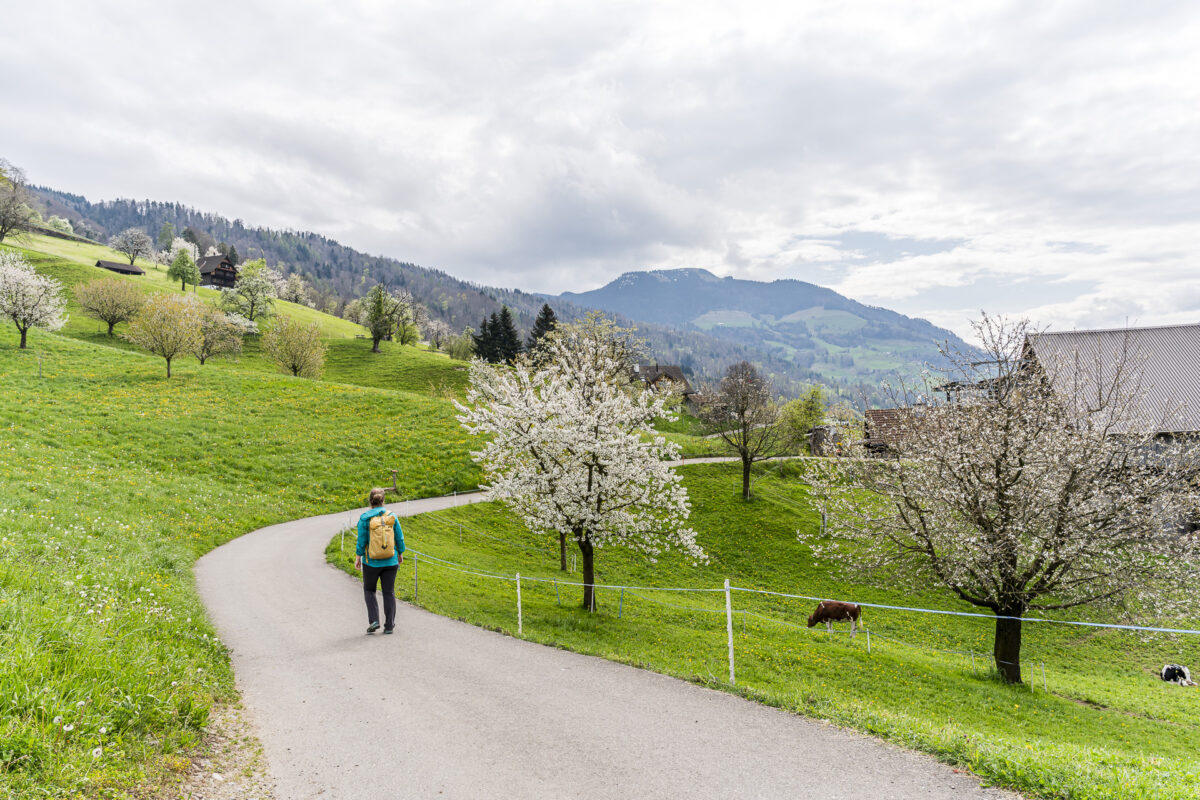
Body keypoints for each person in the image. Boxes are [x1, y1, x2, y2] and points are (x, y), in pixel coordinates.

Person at [355, 488, 406, 634]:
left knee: (369, 590)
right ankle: (389, 626)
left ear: (370, 501)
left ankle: (374, 620)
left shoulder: (365, 518)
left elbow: (362, 540)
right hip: (391, 561)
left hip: (371, 562)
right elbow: (399, 537)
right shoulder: (392, 516)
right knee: (388, 592)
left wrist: (359, 556)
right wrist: (400, 553)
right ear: (383, 500)